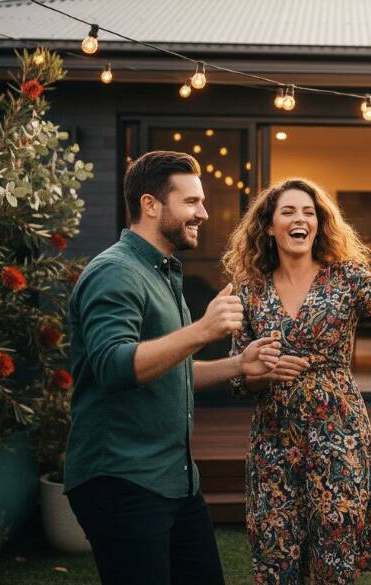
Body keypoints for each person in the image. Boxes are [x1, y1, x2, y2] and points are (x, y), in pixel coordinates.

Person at [65, 150, 280, 585]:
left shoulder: (163, 273)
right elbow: (113, 366)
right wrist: (202, 330)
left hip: (175, 481)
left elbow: (170, 369)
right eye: (191, 202)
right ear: (150, 205)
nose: (202, 212)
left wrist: (239, 363)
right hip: (122, 479)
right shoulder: (115, 273)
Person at [222, 178, 371, 583]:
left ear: (318, 224)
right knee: (275, 553)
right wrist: (261, 374)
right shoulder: (251, 292)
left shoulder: (346, 278)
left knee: (334, 558)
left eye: (308, 212)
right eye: (288, 212)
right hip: (274, 441)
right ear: (268, 226)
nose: (300, 219)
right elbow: (236, 377)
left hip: (338, 435)